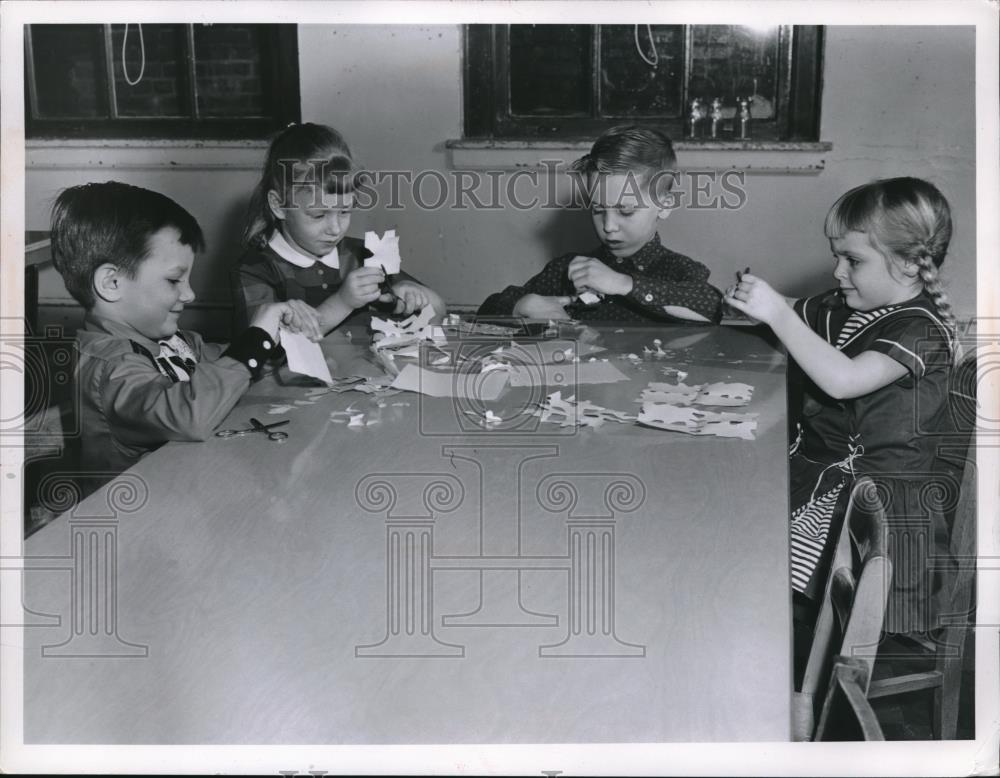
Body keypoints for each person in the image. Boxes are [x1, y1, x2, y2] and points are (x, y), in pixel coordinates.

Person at [724, 177, 960, 655]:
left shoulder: (919, 330)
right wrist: (759, 302)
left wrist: (779, 315)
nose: (837, 271)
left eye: (853, 260)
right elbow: (792, 312)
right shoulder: (849, 307)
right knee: (731, 525)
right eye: (837, 256)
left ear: (913, 263)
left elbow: (844, 379)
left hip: (878, 510)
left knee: (742, 555)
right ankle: (769, 644)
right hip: (826, 480)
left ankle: (780, 660)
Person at [50, 181, 320, 477]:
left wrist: (278, 340)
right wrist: (255, 342)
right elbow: (187, 415)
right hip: (142, 516)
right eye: (173, 280)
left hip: (188, 487)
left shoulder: (173, 342)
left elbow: (230, 372)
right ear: (112, 283)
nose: (189, 294)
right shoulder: (109, 368)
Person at [477, 125, 723, 323]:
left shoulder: (679, 270)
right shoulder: (570, 269)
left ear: (665, 205)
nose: (609, 226)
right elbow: (488, 308)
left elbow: (710, 307)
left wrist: (623, 284)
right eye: (598, 210)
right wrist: (523, 304)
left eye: (625, 211)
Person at [235, 122, 445, 334]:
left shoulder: (361, 255)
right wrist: (343, 303)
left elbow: (438, 308)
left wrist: (413, 295)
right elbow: (263, 345)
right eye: (318, 215)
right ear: (279, 205)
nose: (335, 229)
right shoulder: (256, 268)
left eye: (345, 211)